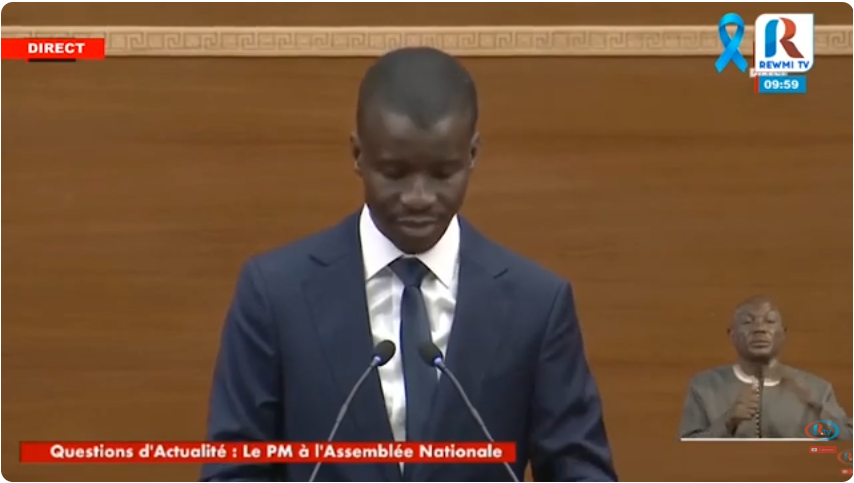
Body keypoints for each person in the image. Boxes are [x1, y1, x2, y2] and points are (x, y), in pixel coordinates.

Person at [200, 47, 617, 482]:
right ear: (358, 155)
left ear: (472, 155)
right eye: (395, 172)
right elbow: (234, 470)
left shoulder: (537, 306)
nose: (419, 197)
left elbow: (580, 469)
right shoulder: (275, 295)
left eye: (442, 173)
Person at [679, 295, 852, 440]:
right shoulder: (705, 386)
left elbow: (848, 444)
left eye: (770, 321)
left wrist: (821, 412)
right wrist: (727, 422)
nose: (760, 329)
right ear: (732, 335)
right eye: (748, 322)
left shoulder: (817, 389)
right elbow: (683, 452)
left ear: (783, 334)